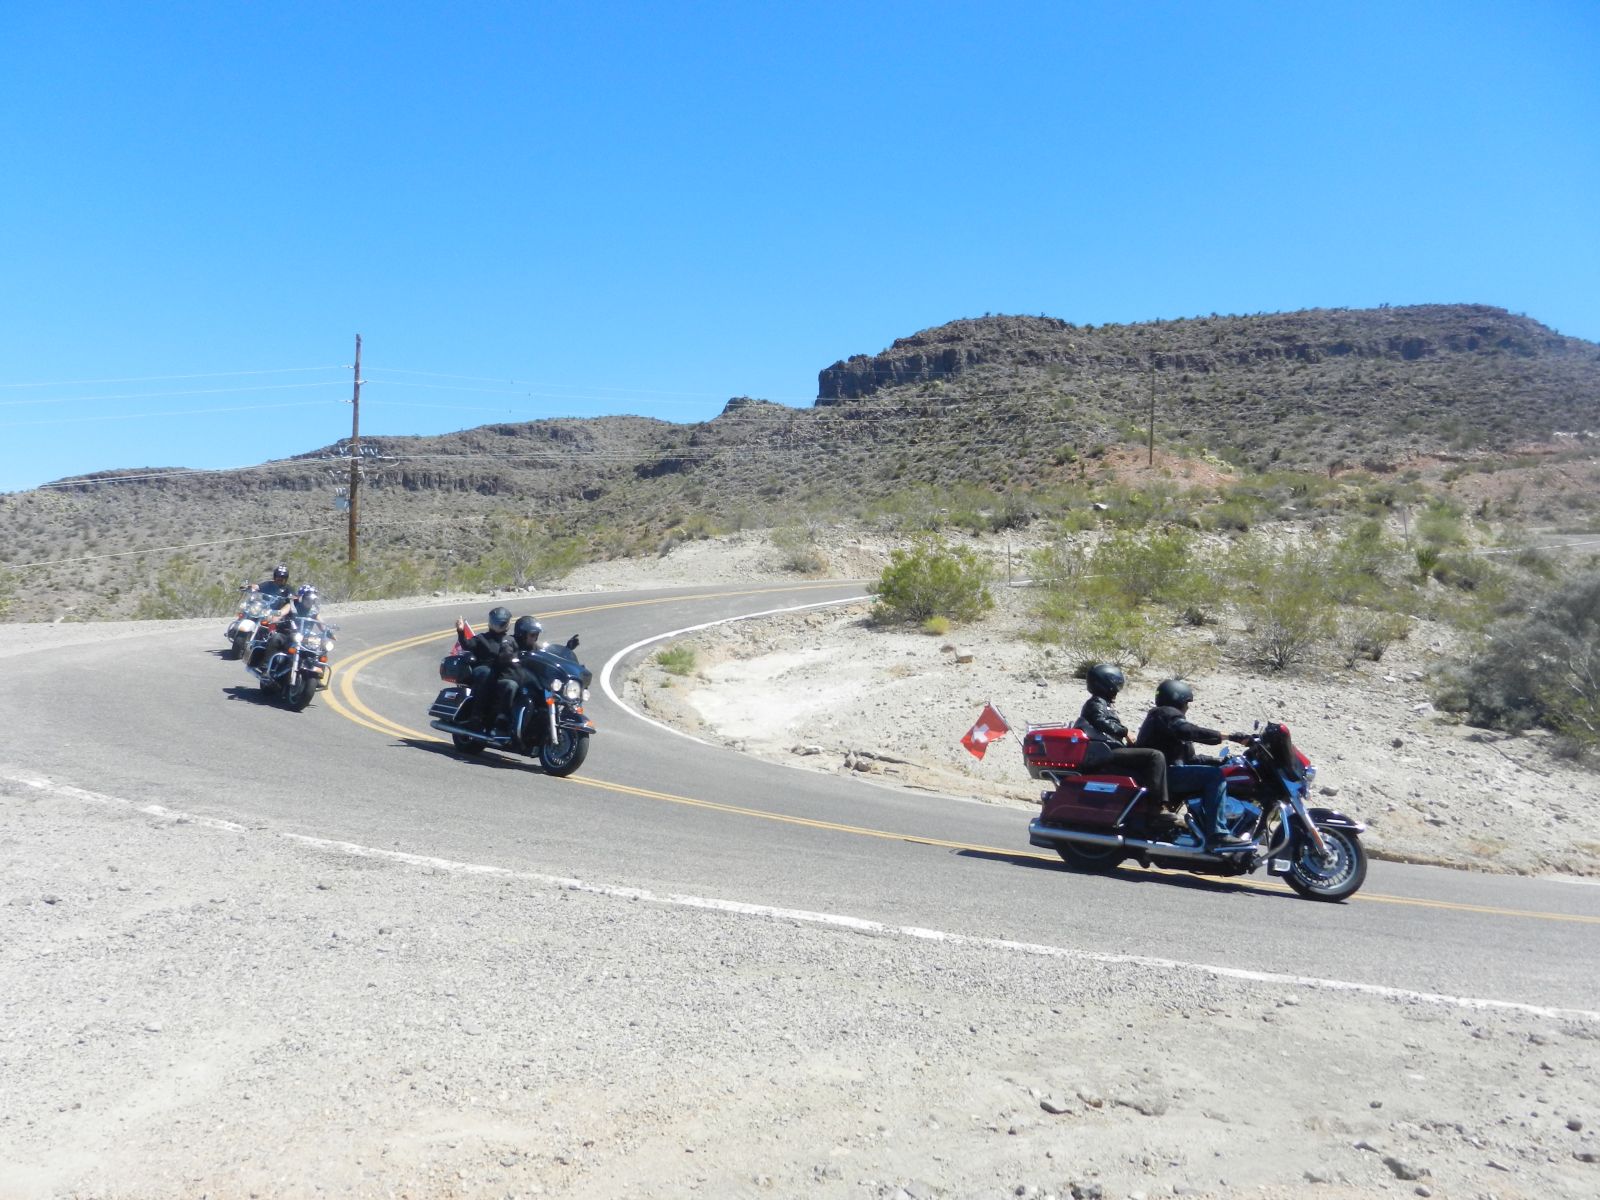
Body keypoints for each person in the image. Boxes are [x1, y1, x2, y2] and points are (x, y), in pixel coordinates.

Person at [1134, 678, 1251, 846]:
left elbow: (1190, 759)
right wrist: (1229, 736)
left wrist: (1222, 761)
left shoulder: (1167, 722)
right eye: (1186, 702)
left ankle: (1201, 826)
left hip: (1168, 773)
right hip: (1164, 775)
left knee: (1215, 771)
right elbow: (1189, 731)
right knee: (1214, 777)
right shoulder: (1165, 714)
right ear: (1177, 699)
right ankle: (1218, 833)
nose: (1187, 707)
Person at [1073, 664, 1171, 817]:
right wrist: (1124, 732)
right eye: (1116, 686)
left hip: (1108, 749)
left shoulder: (1102, 703)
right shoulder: (1096, 703)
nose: (1117, 690)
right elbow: (1101, 721)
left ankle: (1143, 803)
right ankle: (1157, 807)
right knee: (1155, 756)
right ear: (1106, 685)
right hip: (1105, 752)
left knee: (1150, 754)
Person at [454, 606, 516, 731]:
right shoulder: (482, 638)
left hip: (502, 673)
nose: (498, 625)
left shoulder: (511, 640)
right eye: (496, 622)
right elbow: (467, 644)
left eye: (501, 623)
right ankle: (476, 716)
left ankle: (505, 718)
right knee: (487, 674)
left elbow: (524, 652)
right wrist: (461, 631)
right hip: (483, 669)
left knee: (513, 683)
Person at [251, 584, 320, 670]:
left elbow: (322, 623)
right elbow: (281, 612)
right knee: (276, 638)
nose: (310, 602)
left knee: (320, 646)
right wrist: (273, 616)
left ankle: (315, 671)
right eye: (308, 599)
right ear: (302, 598)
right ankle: (266, 665)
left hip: (305, 638)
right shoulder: (292, 605)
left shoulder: (314, 611)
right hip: (288, 635)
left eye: (312, 600)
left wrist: (328, 631)